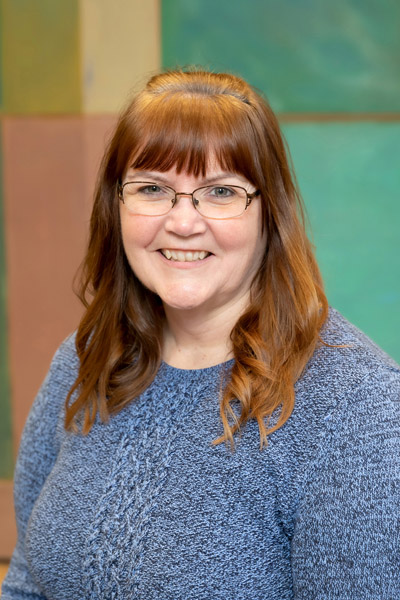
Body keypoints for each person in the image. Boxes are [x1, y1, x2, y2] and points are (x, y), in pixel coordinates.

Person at [2, 69, 399, 600]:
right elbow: (29, 580)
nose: (183, 223)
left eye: (220, 192)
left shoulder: (359, 410)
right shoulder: (86, 359)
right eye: (152, 189)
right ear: (115, 205)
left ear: (269, 211)